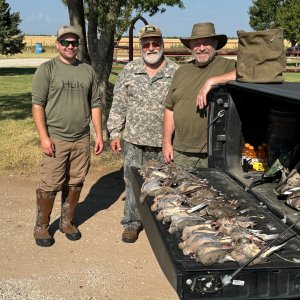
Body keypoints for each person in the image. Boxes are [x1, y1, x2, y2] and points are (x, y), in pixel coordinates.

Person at [32, 25, 104, 247]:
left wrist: (99, 135)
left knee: (76, 182)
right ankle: (42, 226)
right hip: (56, 138)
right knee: (50, 183)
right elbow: (37, 105)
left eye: (74, 42)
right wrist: (44, 137)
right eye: (65, 42)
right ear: (57, 44)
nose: (70, 46)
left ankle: (67, 221)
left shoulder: (87, 70)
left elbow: (95, 104)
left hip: (81, 138)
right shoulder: (47, 69)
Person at [107, 25, 178, 243]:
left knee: (164, 183)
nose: (151, 47)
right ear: (140, 47)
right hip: (133, 139)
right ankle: (132, 222)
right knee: (132, 181)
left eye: (155, 43)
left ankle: (161, 224)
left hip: (163, 141)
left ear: (162, 44)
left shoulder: (175, 71)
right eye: (146, 44)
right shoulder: (130, 69)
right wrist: (114, 132)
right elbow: (119, 102)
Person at [163, 22, 236, 168]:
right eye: (197, 43)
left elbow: (248, 74)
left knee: (213, 190)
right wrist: (166, 142)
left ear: (215, 44)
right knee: (179, 189)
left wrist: (212, 81)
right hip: (180, 151)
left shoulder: (226, 66)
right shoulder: (181, 71)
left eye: (206, 43)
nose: (201, 48)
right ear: (191, 46)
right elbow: (170, 108)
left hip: (214, 151)